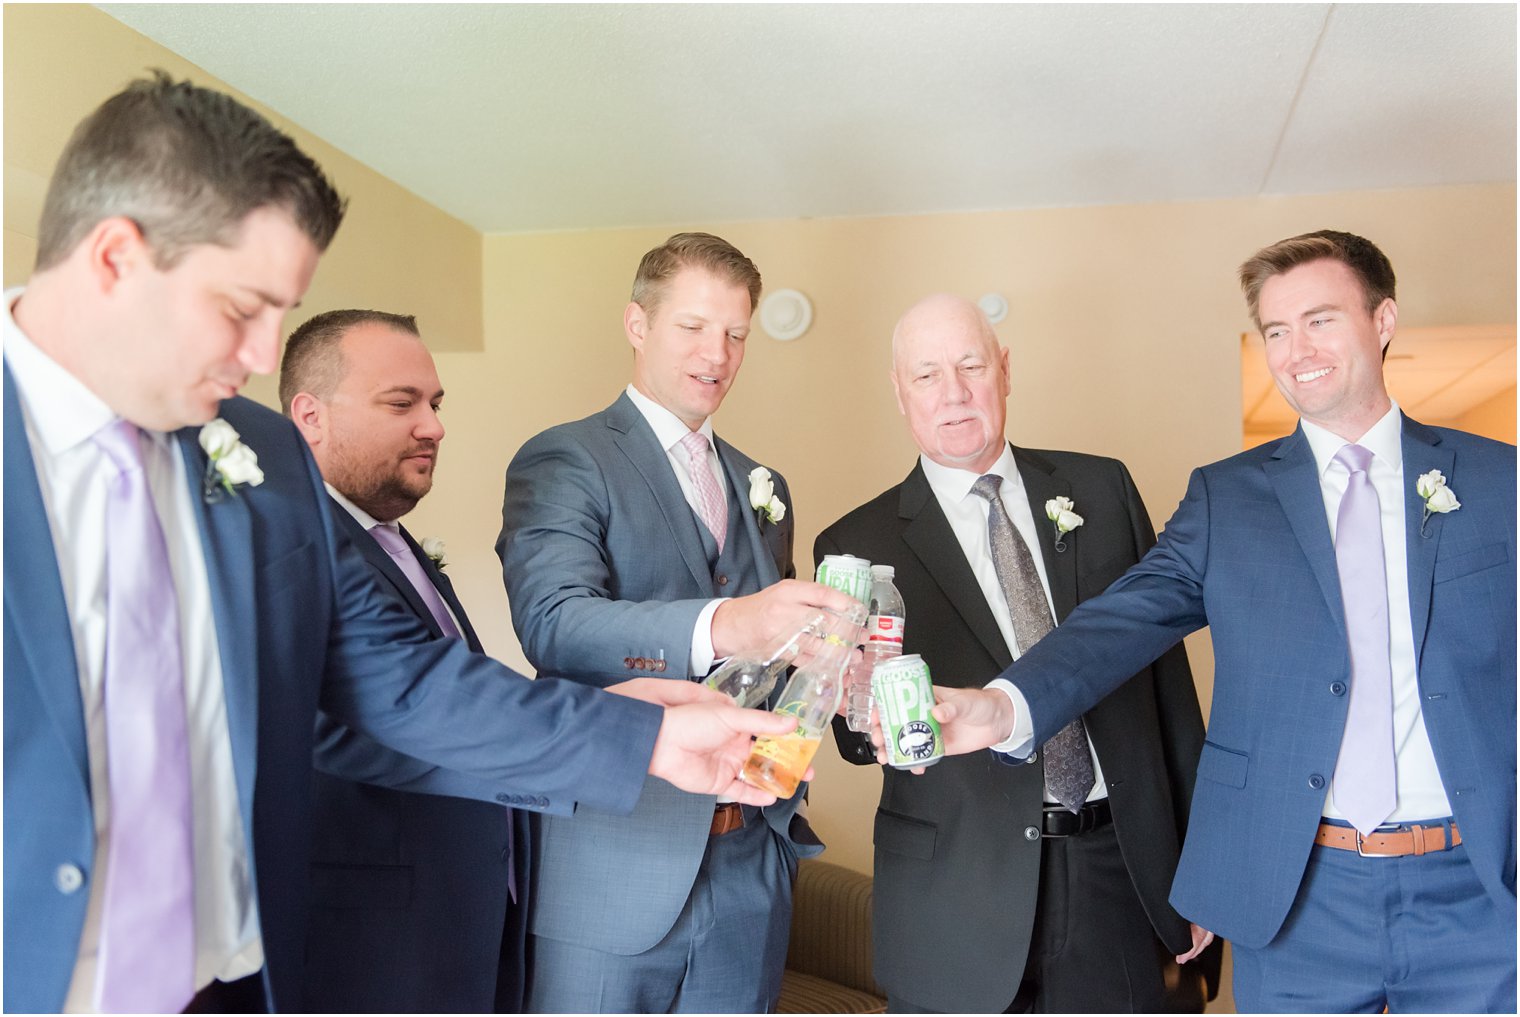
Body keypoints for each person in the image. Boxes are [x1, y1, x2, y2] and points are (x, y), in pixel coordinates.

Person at [3, 73, 795, 1015]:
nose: (264, 354)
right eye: (242, 306)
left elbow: (401, 683)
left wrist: (651, 734)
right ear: (114, 258)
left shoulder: (260, 456)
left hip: (232, 982)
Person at [921, 231, 1517, 1012]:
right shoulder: (1226, 498)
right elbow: (1119, 624)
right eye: (1276, 330)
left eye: (1320, 319)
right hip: (1300, 894)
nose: (1296, 349)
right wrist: (1003, 705)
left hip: (1476, 890)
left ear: (1383, 320)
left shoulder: (1499, 479)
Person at [820, 294, 1219, 1012]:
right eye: (927, 374)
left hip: (1121, 868)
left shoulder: (1102, 487)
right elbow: (855, 736)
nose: (954, 393)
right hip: (956, 892)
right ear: (900, 390)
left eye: (972, 365)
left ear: (1005, 370)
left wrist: (1203, 865)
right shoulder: (855, 541)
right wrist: (853, 701)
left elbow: (1169, 689)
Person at [498, 232, 856, 1012]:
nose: (717, 353)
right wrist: (730, 622)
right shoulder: (566, 458)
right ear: (637, 324)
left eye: (735, 333)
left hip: (751, 868)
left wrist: (830, 668)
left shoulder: (766, 484)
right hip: (612, 866)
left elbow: (773, 655)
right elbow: (555, 625)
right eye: (693, 326)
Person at [280, 308, 533, 1011]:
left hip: (466, 919)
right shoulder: (298, 547)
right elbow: (399, 717)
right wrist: (636, 727)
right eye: (402, 403)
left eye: (436, 403)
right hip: (369, 948)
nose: (435, 425)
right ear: (310, 415)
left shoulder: (394, 541)